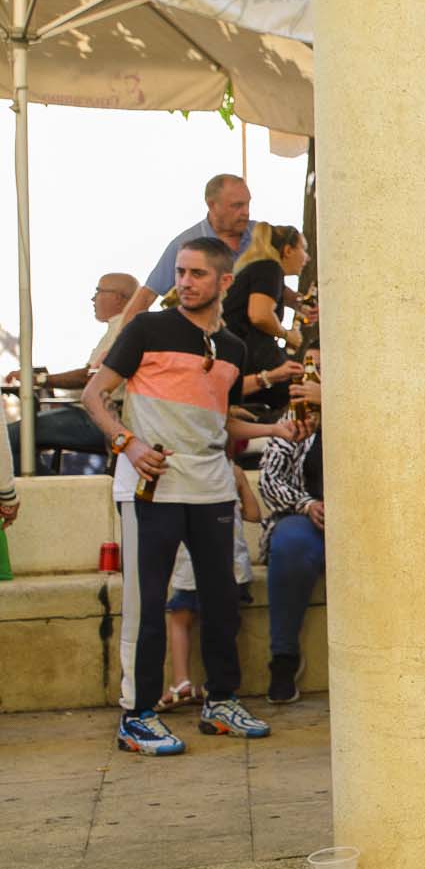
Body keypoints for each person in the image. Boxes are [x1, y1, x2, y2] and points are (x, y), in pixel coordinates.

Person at [81, 237, 270, 754]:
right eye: (181, 273)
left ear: (223, 282)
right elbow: (93, 395)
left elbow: (219, 418)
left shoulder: (233, 349)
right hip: (150, 487)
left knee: (223, 598)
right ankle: (136, 715)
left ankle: (221, 703)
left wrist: (277, 429)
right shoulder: (145, 328)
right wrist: (128, 443)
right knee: (147, 604)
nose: (184, 282)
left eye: (196, 274)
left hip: (210, 487)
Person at [3, 271, 139, 472]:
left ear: (118, 297)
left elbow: (88, 377)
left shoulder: (123, 327)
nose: (93, 299)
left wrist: (40, 379)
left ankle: (48, 495)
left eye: (98, 291)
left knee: (7, 440)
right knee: (19, 442)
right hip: (99, 414)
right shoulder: (124, 327)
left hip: (99, 419)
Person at [257, 385, 327, 705]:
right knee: (290, 545)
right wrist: (307, 504)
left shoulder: (367, 412)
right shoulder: (294, 419)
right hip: (310, 520)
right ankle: (283, 659)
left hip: (366, 522)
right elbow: (269, 480)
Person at [126, 174, 252, 316]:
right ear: (212, 204)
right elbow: (146, 296)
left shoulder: (264, 236)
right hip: (203, 334)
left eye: (248, 203)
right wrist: (126, 337)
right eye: (237, 206)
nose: (246, 212)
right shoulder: (184, 244)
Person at [224, 223, 307, 428]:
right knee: (305, 393)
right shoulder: (270, 268)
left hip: (240, 362)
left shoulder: (257, 270)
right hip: (251, 360)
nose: (307, 257)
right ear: (287, 251)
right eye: (303, 249)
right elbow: (259, 314)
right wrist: (288, 335)